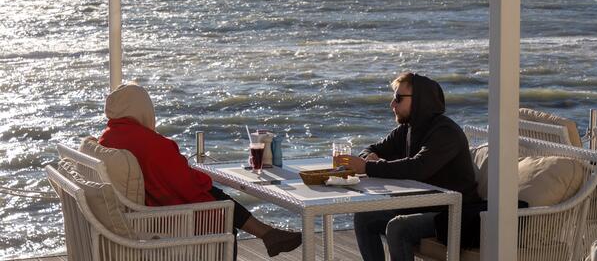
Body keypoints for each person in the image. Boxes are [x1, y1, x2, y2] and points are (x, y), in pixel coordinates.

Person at [98, 82, 301, 259]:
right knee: (221, 214)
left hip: (133, 215)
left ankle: (268, 234)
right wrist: (202, 179)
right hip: (159, 218)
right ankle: (268, 234)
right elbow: (186, 186)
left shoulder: (108, 138)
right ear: (142, 109)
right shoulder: (152, 144)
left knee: (216, 198)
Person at [340, 73, 479, 261]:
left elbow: (418, 167)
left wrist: (368, 168)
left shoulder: (445, 132)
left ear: (421, 100)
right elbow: (372, 148)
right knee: (365, 217)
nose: (392, 104)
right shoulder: (408, 129)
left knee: (398, 227)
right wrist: (367, 158)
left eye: (398, 98)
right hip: (423, 205)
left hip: (453, 213)